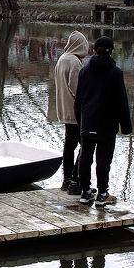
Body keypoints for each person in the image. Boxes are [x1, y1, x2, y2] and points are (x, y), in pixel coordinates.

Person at [74, 36, 132, 207]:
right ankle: (102, 194)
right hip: (107, 125)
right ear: (111, 51)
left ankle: (85, 192)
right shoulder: (116, 73)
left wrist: (80, 124)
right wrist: (126, 127)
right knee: (103, 160)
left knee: (85, 157)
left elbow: (78, 102)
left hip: (88, 122)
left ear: (94, 49)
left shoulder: (84, 71)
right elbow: (122, 102)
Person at [53, 30, 90, 194]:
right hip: (75, 112)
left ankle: (66, 180)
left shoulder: (62, 58)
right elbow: (77, 89)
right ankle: (75, 179)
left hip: (63, 109)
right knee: (86, 145)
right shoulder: (74, 62)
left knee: (69, 146)